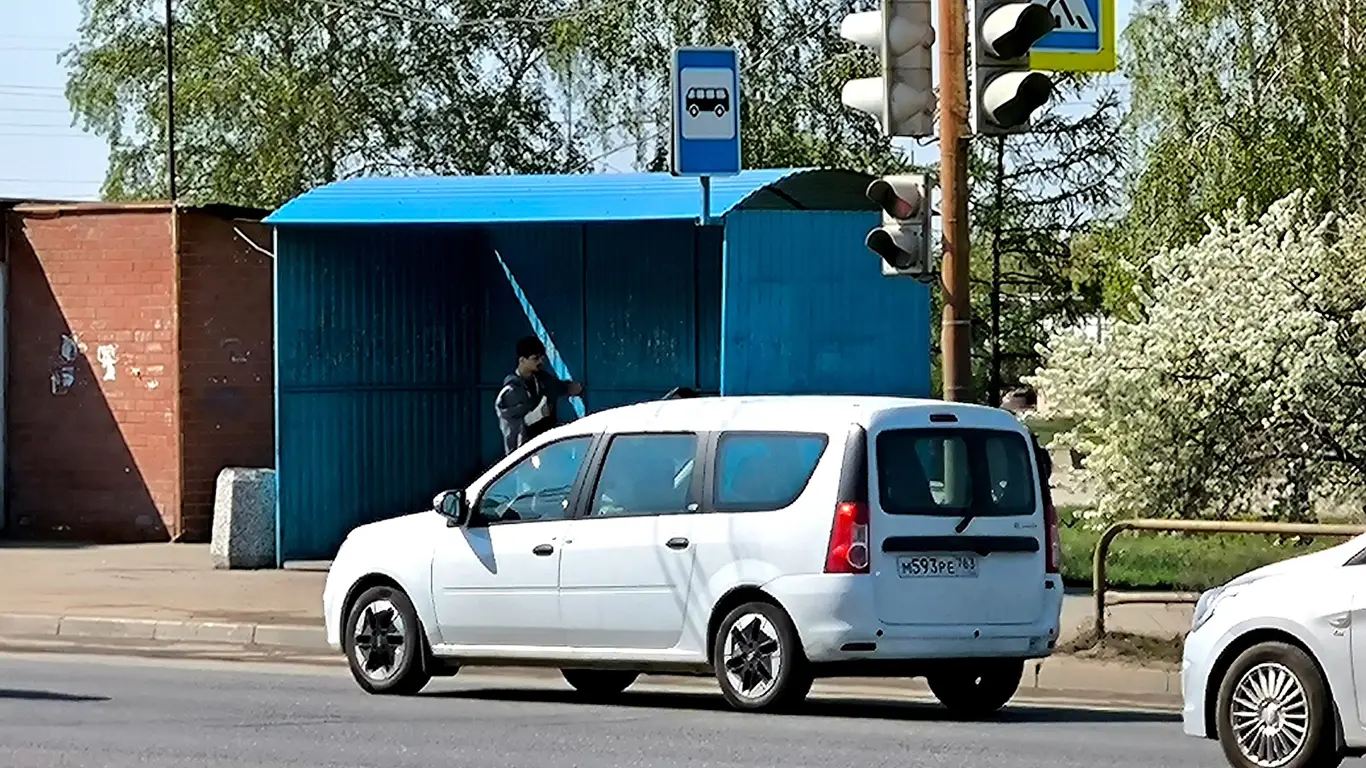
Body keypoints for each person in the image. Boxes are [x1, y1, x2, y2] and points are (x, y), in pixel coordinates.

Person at [495, 336, 584, 456]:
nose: (540, 362)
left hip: (548, 448)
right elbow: (511, 428)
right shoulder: (510, 393)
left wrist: (571, 388)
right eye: (535, 358)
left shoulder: (543, 380)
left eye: (542, 357)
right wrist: (535, 415)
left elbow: (559, 386)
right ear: (522, 360)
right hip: (524, 454)